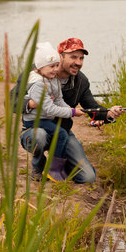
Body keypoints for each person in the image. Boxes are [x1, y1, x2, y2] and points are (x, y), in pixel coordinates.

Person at [19, 37, 124, 184]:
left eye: (81, 58)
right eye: (73, 57)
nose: (79, 62)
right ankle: (39, 165)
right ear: (60, 56)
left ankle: (58, 168)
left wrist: (109, 113)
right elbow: (11, 101)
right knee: (40, 136)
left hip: (63, 131)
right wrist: (30, 103)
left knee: (88, 178)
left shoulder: (81, 81)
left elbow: (91, 107)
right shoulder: (36, 72)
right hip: (36, 128)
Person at [22, 42, 85, 182]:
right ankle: (49, 169)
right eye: (51, 66)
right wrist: (72, 113)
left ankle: (55, 168)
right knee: (60, 134)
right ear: (39, 67)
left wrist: (69, 108)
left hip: (46, 119)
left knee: (61, 134)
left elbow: (59, 100)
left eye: (57, 65)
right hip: (34, 121)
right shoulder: (38, 84)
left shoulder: (53, 79)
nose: (55, 70)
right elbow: (50, 108)